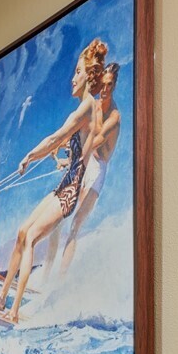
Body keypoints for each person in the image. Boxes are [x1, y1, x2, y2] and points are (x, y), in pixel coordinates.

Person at [0, 39, 107, 323]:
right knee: (21, 231)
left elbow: (57, 136)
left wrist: (30, 155)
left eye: (77, 72)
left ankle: (14, 311)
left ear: (88, 76)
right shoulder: (83, 110)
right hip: (63, 186)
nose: (72, 78)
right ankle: (2, 296)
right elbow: (69, 145)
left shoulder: (87, 108)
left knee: (30, 238)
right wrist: (60, 154)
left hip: (68, 194)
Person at [50, 61, 120, 279]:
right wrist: (59, 146)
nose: (105, 89)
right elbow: (78, 134)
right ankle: (44, 281)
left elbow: (96, 141)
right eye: (103, 84)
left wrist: (71, 158)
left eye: (109, 85)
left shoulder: (114, 117)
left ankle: (58, 285)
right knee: (57, 221)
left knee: (75, 224)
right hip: (86, 160)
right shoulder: (93, 106)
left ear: (114, 85)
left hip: (98, 170)